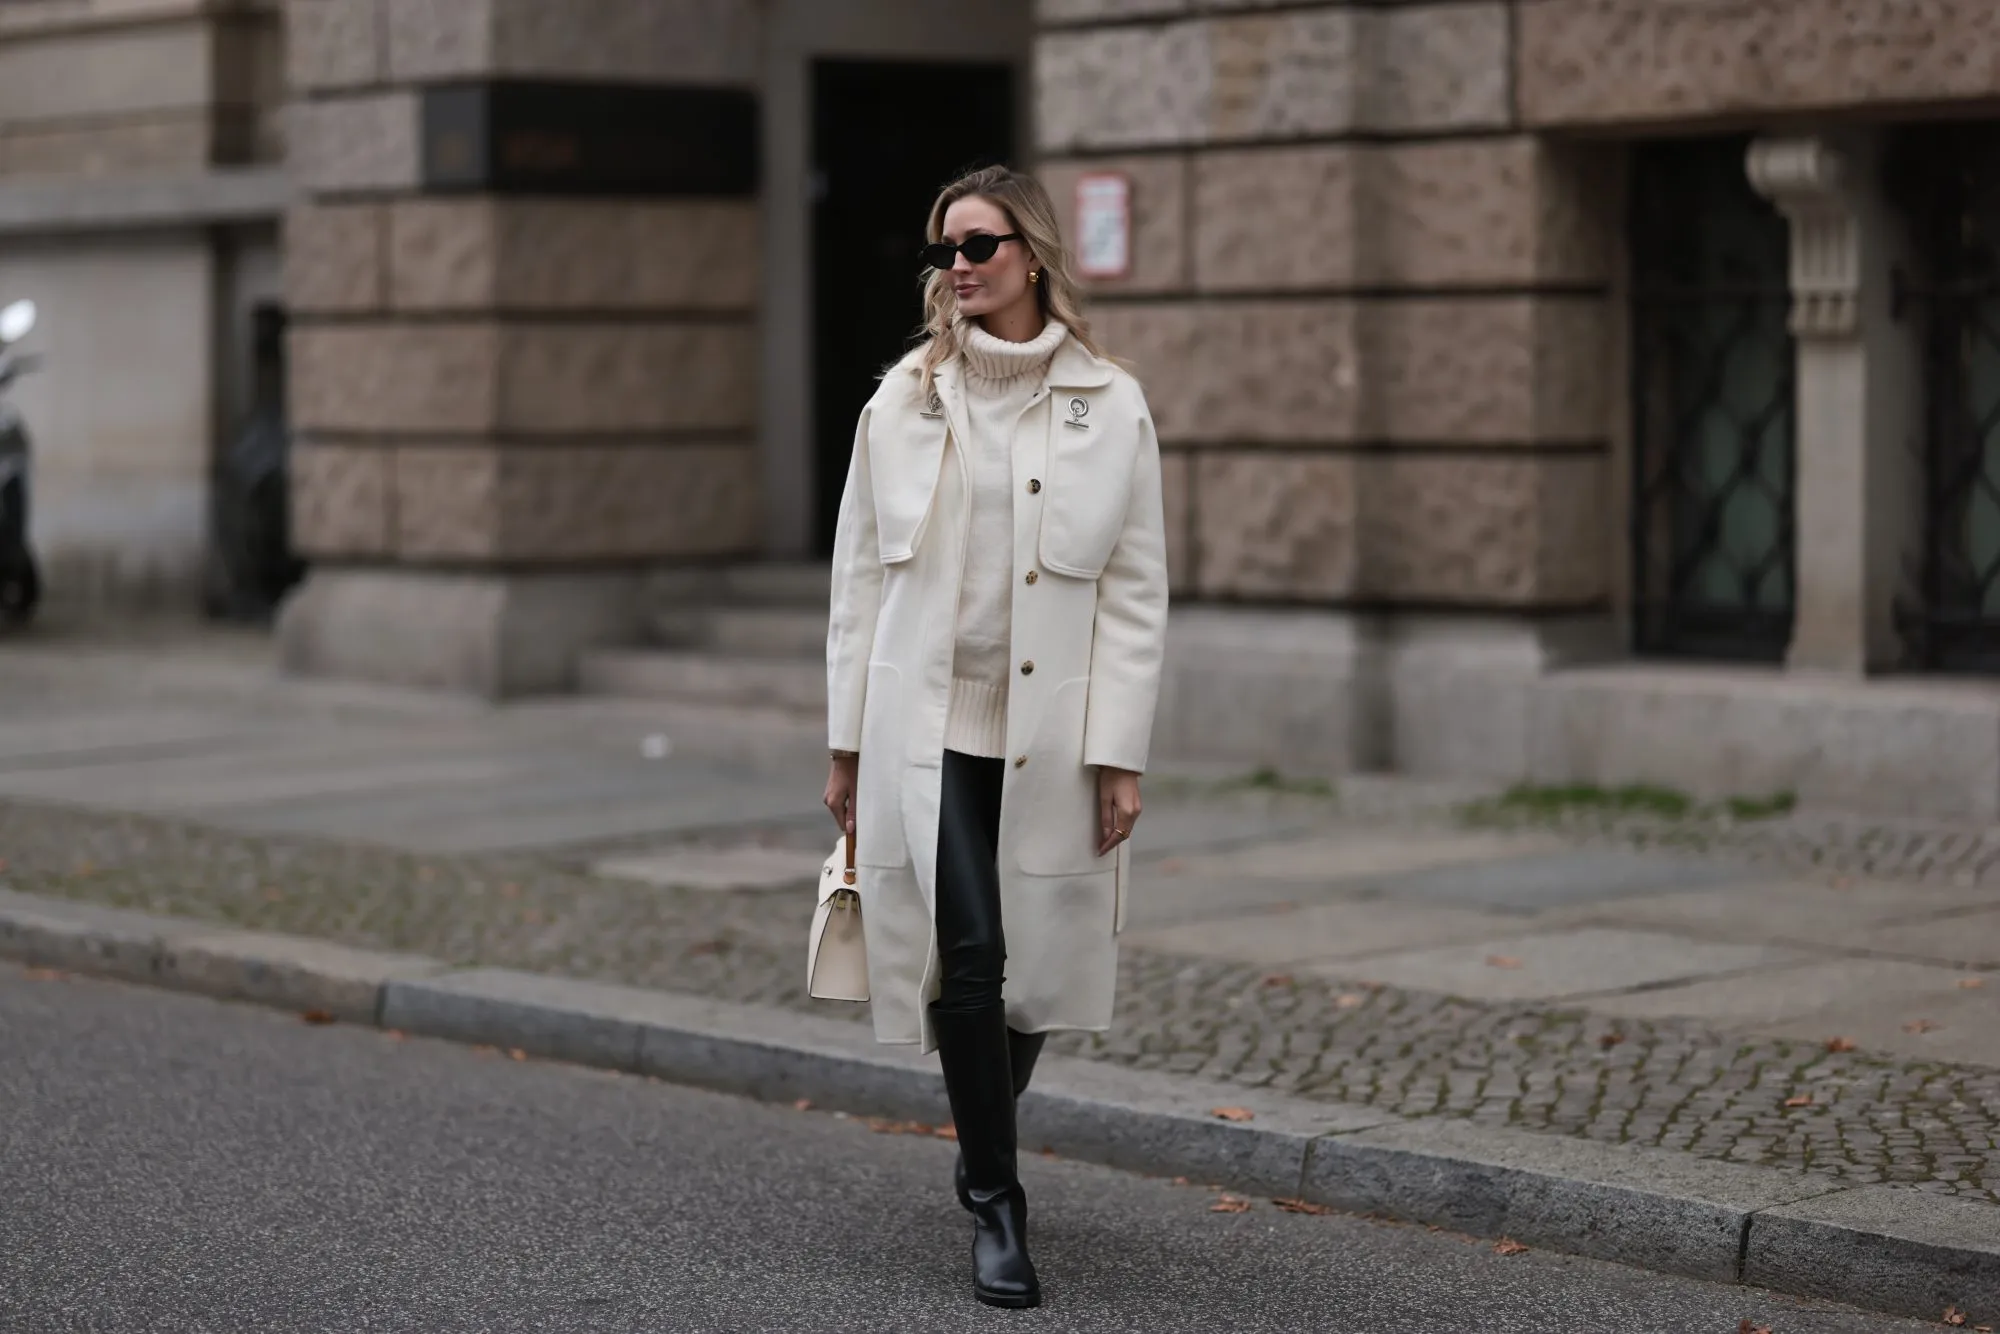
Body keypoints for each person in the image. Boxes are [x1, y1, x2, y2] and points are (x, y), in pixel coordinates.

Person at [823, 164, 1169, 1309]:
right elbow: (858, 580)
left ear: (1031, 252)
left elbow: (1131, 588)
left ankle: (983, 1132)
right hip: (922, 730)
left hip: (1050, 731)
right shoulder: (903, 400)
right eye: (944, 251)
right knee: (967, 957)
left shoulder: (1109, 403)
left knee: (1024, 971)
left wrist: (1117, 750)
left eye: (977, 245)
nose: (956, 267)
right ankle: (996, 1203)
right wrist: (844, 747)